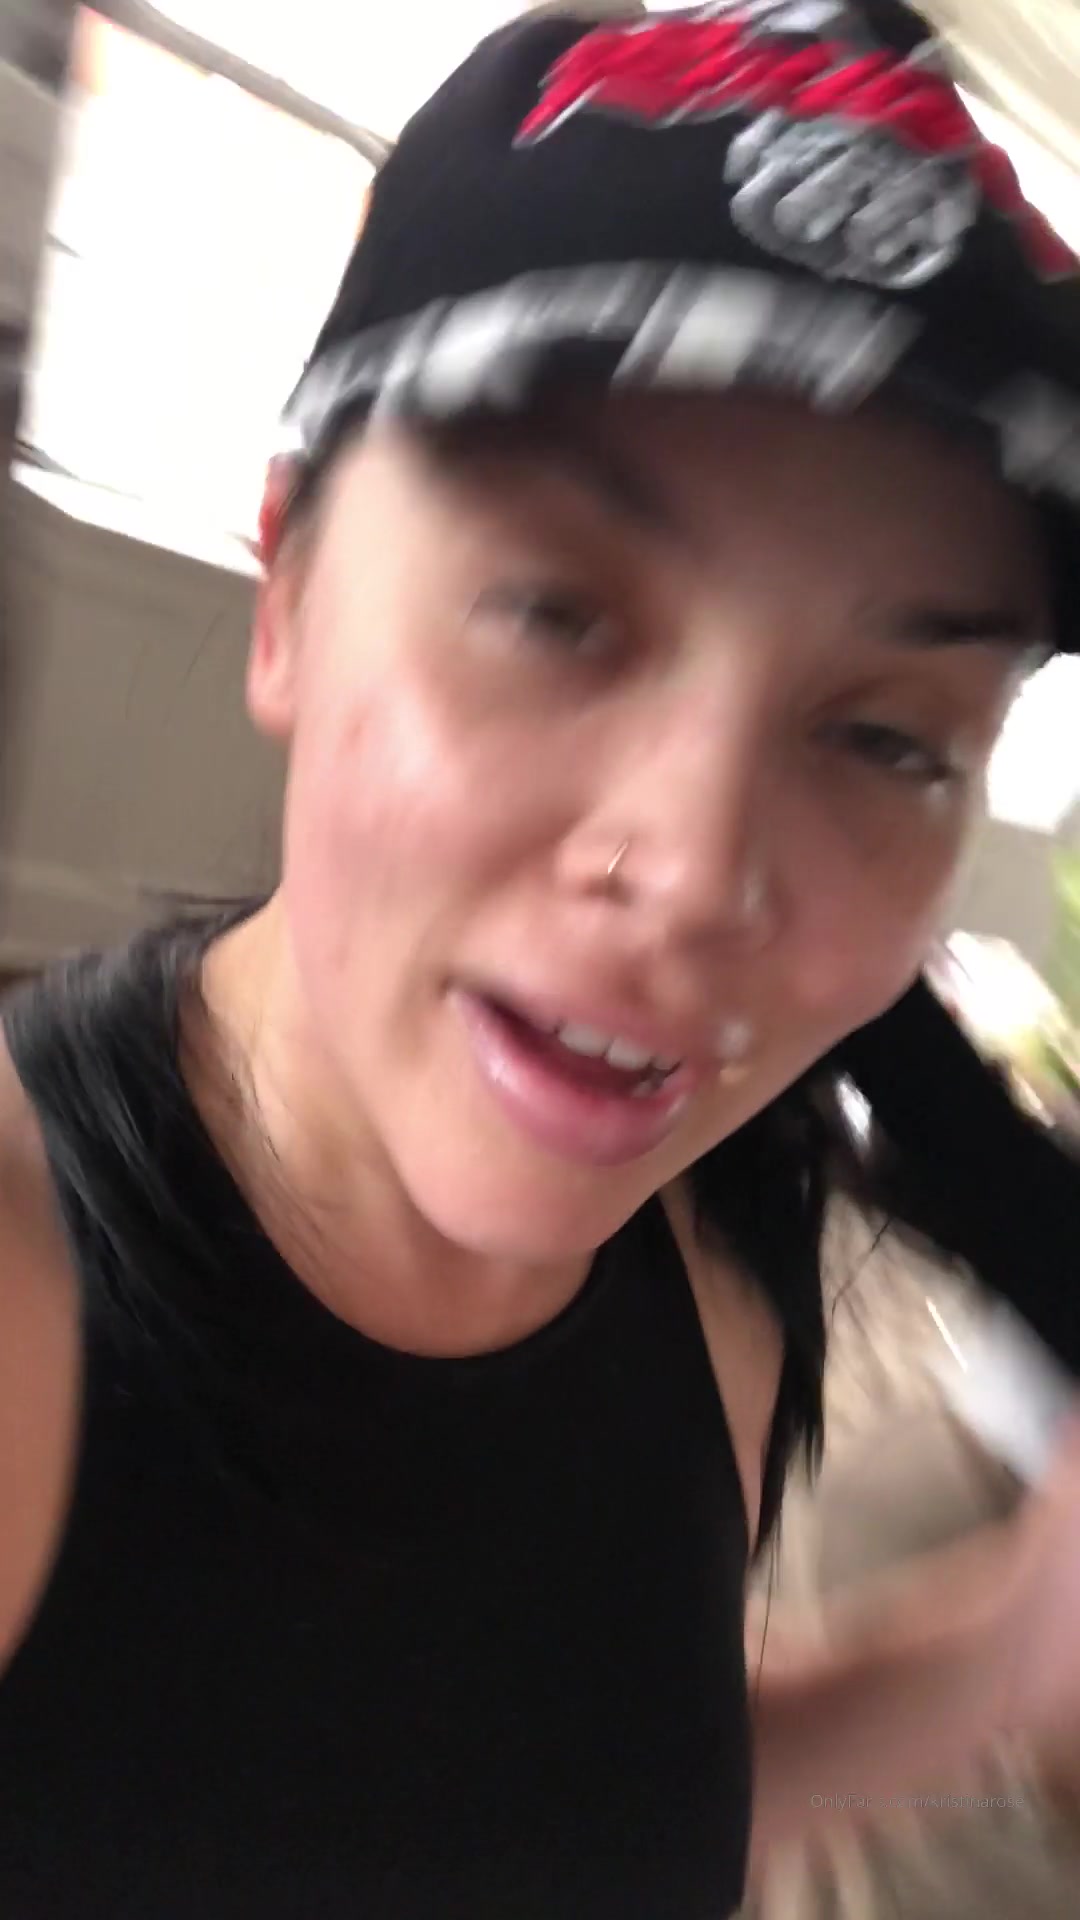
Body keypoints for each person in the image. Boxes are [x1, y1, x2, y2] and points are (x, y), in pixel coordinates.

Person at [1, 4, 1080, 1915]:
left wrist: (1005, 1652)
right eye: (559, 611)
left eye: (890, 737)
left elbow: (553, 1788)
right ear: (289, 589)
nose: (697, 875)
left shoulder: (723, 1267)